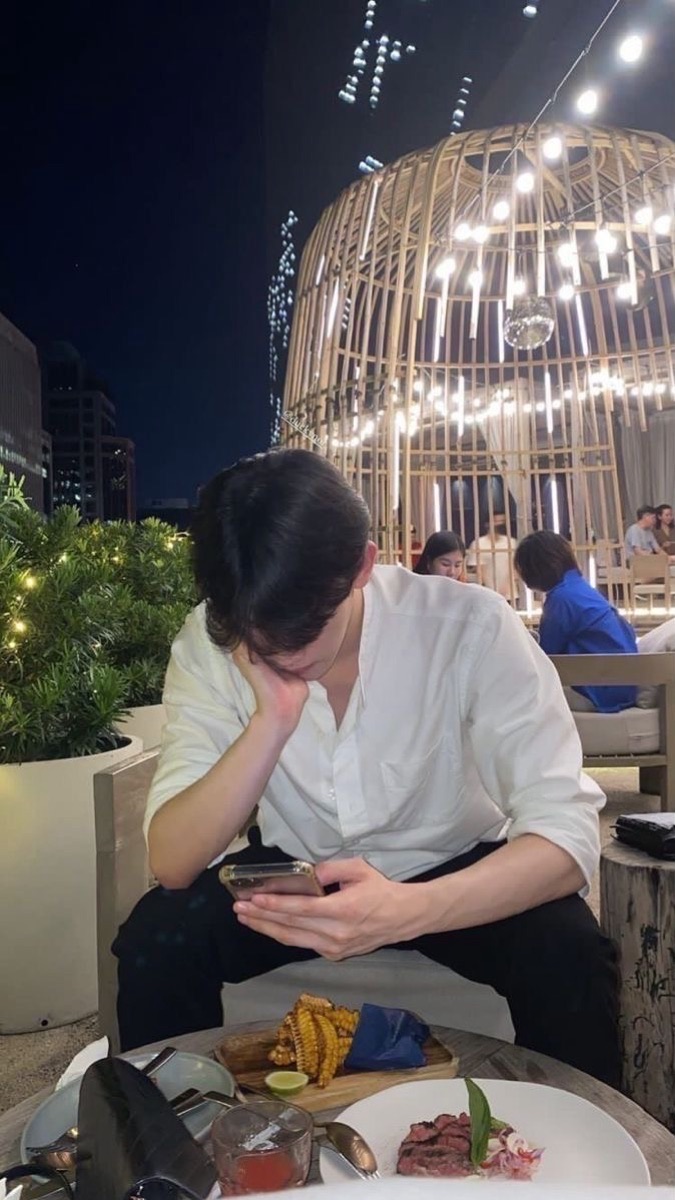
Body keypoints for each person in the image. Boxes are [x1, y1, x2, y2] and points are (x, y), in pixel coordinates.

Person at [113, 449, 619, 1087]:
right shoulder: (211, 639)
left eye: (303, 630)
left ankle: (574, 1143)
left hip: (455, 862)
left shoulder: (467, 626)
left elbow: (566, 837)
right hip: (297, 872)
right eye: (254, 635)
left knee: (571, 953)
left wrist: (408, 909)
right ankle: (165, 1137)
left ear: (362, 565)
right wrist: (272, 720)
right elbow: (173, 861)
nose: (277, 653)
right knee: (155, 940)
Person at [514, 531, 638, 714]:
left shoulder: (561, 599)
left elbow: (546, 656)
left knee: (517, 694)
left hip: (597, 693)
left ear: (536, 568)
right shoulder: (579, 587)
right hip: (621, 686)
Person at [466, 513, 513, 600]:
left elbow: (514, 567)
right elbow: (479, 570)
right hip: (487, 594)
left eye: (502, 521)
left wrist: (506, 586)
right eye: (496, 521)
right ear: (487, 524)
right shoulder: (478, 543)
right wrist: (487, 589)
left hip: (510, 594)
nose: (499, 524)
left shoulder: (511, 542)